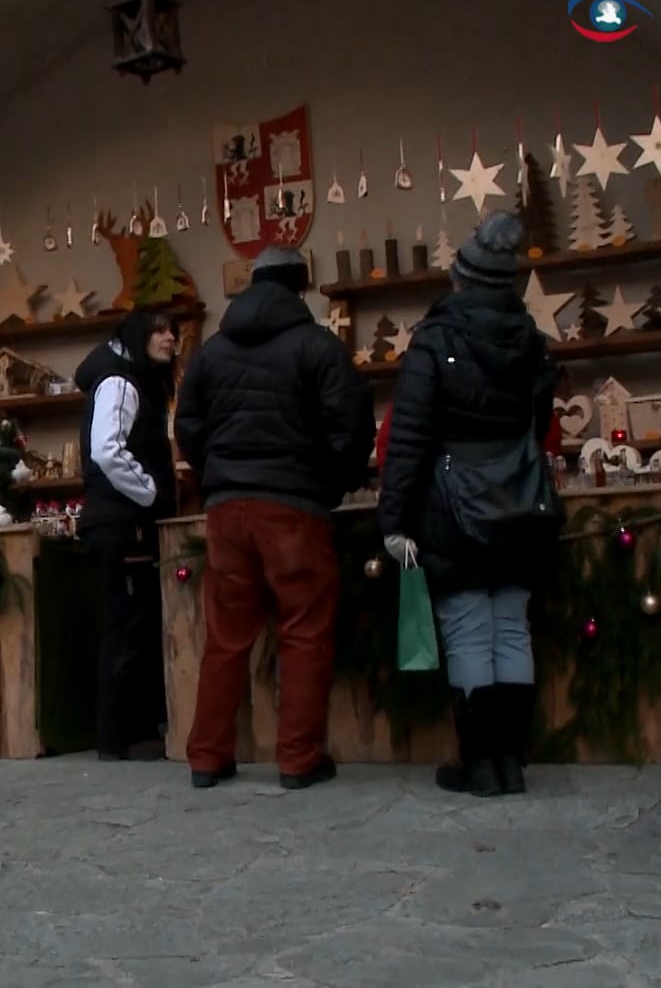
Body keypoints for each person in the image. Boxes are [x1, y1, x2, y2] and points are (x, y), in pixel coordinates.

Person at [174, 247, 375, 790]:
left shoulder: (211, 353)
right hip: (294, 507)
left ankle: (207, 757)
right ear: (299, 287)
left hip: (226, 507)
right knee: (304, 632)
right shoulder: (318, 347)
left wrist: (215, 472)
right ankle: (298, 758)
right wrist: (330, 483)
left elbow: (187, 425)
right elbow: (352, 427)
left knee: (226, 636)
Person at [378, 211, 560, 798]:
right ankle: (511, 762)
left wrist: (394, 518)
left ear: (460, 279)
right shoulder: (531, 341)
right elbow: (539, 423)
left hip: (452, 505)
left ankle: (479, 764)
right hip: (519, 499)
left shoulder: (435, 340)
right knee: (511, 627)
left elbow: (408, 437)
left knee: (466, 629)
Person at [75, 307, 178, 761]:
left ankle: (125, 734)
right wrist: (151, 492)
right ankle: (119, 738)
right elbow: (108, 451)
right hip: (121, 523)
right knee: (126, 631)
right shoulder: (120, 381)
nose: (170, 337)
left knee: (128, 628)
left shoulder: (130, 379)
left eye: (173, 330)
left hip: (119, 521)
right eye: (159, 329)